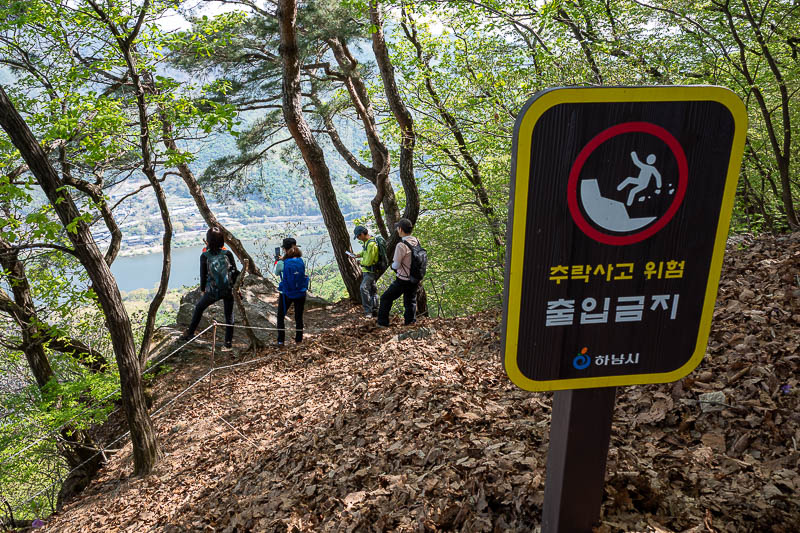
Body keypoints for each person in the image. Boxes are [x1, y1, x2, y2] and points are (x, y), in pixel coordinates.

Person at [180, 226, 238, 348]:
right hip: (228, 290)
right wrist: (235, 287)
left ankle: (190, 333)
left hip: (212, 291)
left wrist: (203, 290)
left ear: (208, 240)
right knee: (229, 315)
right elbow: (234, 271)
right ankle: (228, 343)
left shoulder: (205, 256)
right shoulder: (228, 253)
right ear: (222, 240)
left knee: (199, 308)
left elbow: (203, 275)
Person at [377, 218, 420, 327]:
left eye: (397, 228)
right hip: (414, 277)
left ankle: (382, 323)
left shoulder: (401, 245)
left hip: (403, 279)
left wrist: (392, 266)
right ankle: (410, 323)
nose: (397, 230)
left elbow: (396, 265)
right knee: (410, 301)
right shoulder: (416, 241)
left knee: (386, 298)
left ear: (400, 229)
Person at [275, 237, 308, 345]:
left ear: (284, 249)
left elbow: (276, 272)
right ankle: (299, 340)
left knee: (280, 316)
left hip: (287, 293)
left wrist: (278, 261)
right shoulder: (300, 260)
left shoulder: (282, 263)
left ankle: (281, 341)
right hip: (301, 292)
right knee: (298, 317)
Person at [353, 225, 380, 318]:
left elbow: (368, 261)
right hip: (368, 270)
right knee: (372, 290)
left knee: (363, 288)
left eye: (358, 236)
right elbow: (365, 253)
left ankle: (368, 311)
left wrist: (360, 262)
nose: (358, 238)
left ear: (362, 234)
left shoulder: (371, 244)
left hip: (370, 271)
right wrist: (358, 255)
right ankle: (375, 310)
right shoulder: (368, 242)